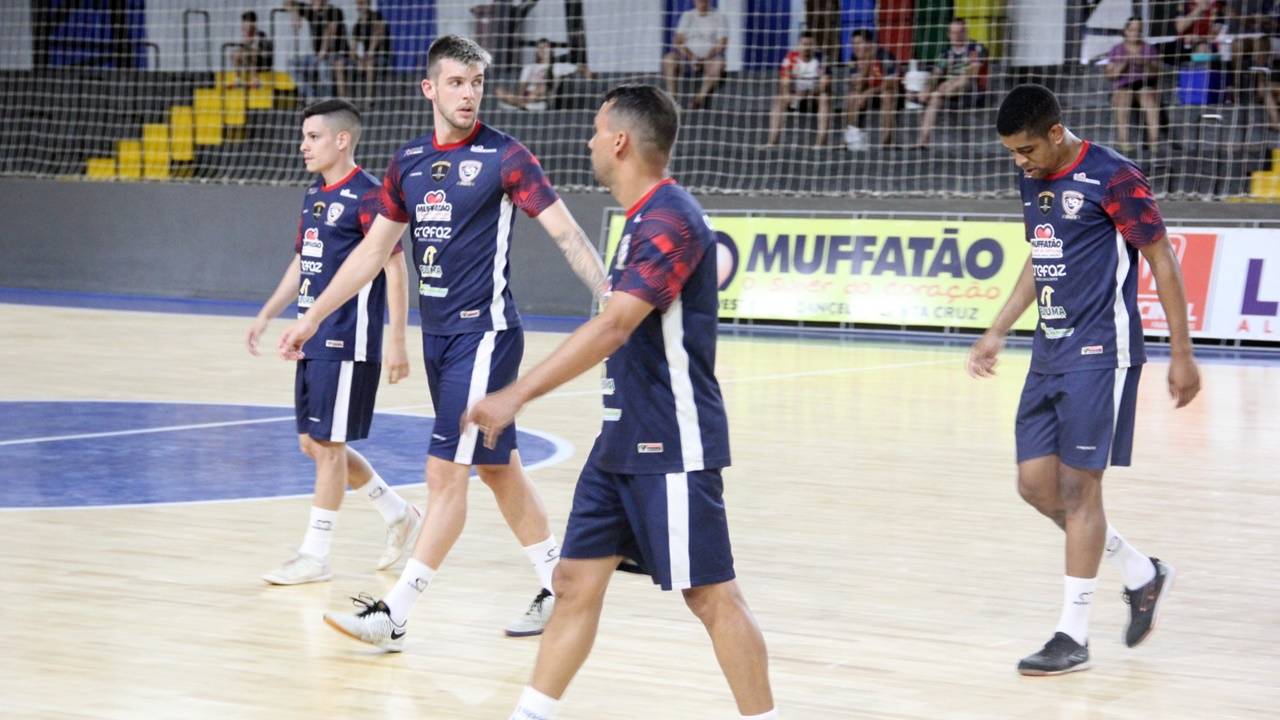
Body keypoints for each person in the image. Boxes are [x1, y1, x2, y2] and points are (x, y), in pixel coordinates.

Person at [458, 83, 777, 720]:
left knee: (711, 597)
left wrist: (515, 394)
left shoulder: (670, 219)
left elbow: (614, 327)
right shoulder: (641, 220)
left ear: (622, 141)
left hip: (671, 440)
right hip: (619, 442)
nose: (590, 140)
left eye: (598, 130)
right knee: (573, 583)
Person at [277, 35, 607, 645]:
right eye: (456, 82)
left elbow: (565, 233)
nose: (469, 92)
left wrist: (611, 301)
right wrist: (313, 316)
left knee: (443, 474)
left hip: (485, 334)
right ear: (430, 88)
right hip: (441, 340)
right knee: (499, 469)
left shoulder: (507, 157)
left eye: (477, 82)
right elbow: (373, 254)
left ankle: (394, 614)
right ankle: (559, 585)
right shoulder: (405, 164)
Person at [969, 84, 1201, 675]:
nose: (1018, 163)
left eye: (1025, 150)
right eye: (1010, 154)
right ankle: (1141, 574)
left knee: (1078, 492)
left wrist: (1182, 353)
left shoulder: (1114, 176)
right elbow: (1041, 256)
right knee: (1034, 487)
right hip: (1048, 350)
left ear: (1055, 132)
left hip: (1103, 351)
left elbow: (1162, 259)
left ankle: (1072, 635)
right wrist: (998, 329)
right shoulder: (1032, 178)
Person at [247, 98, 421, 585]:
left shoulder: (371, 197)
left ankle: (315, 555)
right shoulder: (313, 196)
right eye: (303, 137)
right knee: (313, 444)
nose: (303, 146)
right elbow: (303, 261)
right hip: (312, 336)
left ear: (342, 140)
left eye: (313, 137)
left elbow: (394, 268)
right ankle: (399, 514)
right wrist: (267, 313)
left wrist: (398, 340)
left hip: (348, 339)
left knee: (327, 445)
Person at [914, 18, 988, 149]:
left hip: (971, 91)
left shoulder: (976, 48)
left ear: (966, 32)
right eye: (953, 33)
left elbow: (973, 71)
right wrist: (927, 88)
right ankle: (923, 141)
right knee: (935, 97)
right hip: (948, 91)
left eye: (960, 32)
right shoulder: (946, 53)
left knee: (964, 80)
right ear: (948, 34)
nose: (957, 36)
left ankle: (937, 93)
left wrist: (950, 83)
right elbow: (936, 74)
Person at [1105, 17, 1163, 154]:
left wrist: (1144, 63)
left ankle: (1154, 141)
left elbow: (1156, 73)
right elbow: (1110, 75)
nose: (1135, 33)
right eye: (1132, 30)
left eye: (1138, 30)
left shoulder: (1148, 48)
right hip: (1123, 87)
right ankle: (1123, 140)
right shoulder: (1116, 49)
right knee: (1124, 96)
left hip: (1144, 85)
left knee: (1149, 97)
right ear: (1125, 31)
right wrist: (1124, 64)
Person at [766, 31, 833, 148]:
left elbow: (825, 84)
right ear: (798, 45)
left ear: (814, 46)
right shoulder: (790, 58)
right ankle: (772, 141)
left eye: (810, 44)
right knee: (779, 98)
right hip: (796, 97)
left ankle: (821, 142)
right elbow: (784, 81)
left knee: (824, 98)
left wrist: (809, 92)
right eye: (804, 44)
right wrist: (790, 93)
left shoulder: (821, 59)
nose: (807, 48)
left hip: (814, 98)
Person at [661, 0, 729, 109]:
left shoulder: (719, 16)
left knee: (719, 63)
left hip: (709, 60)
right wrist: (692, 57)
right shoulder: (687, 16)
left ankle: (698, 99)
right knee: (669, 59)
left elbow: (722, 43)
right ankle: (672, 99)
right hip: (687, 59)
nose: (702, 3)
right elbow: (678, 41)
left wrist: (705, 59)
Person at [843, 29, 901, 150]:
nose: (855, 47)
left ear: (869, 44)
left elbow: (892, 83)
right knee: (852, 96)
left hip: (887, 93)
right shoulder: (854, 59)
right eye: (853, 44)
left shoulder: (884, 56)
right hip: (867, 94)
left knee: (887, 95)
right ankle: (853, 138)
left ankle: (887, 142)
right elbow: (857, 86)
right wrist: (867, 65)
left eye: (859, 43)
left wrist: (870, 91)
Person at [287, 0, 351, 100]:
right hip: (317, 57)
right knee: (292, 64)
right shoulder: (310, 10)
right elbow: (288, 2)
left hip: (335, 55)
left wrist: (322, 52)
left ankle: (327, 101)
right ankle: (311, 96)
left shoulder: (335, 11)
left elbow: (329, 31)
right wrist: (295, 13)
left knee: (323, 66)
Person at [495, 38, 555, 111]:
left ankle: (519, 103)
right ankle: (522, 104)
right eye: (540, 47)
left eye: (545, 47)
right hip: (526, 95)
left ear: (551, 50)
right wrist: (520, 95)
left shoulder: (555, 66)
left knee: (542, 88)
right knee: (499, 90)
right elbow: (521, 85)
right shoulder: (528, 67)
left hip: (541, 95)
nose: (542, 50)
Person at [351, 0, 391, 105]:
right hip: (365, 57)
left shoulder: (376, 16)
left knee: (369, 64)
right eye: (358, 3)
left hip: (380, 56)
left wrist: (369, 54)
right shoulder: (358, 25)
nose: (360, 5)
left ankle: (369, 97)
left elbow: (379, 34)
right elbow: (353, 49)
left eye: (362, 2)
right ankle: (348, 99)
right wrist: (358, 60)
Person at [231, 10, 274, 82]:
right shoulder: (244, 36)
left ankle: (255, 79)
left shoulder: (260, 35)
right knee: (236, 54)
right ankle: (237, 79)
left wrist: (247, 47)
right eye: (244, 22)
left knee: (251, 53)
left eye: (249, 22)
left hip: (262, 62)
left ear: (254, 23)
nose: (246, 25)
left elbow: (260, 51)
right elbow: (241, 49)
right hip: (249, 59)